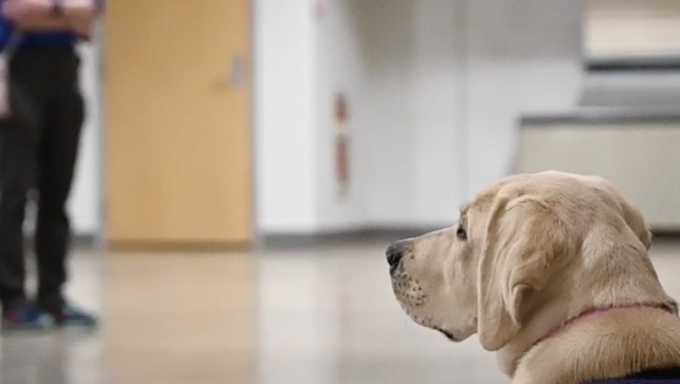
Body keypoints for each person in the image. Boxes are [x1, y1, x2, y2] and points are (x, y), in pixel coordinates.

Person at [0, 0, 103, 330]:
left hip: (64, 72)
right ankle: (12, 298)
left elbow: (91, 15)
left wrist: (46, 11)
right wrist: (65, 12)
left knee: (57, 192)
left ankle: (53, 295)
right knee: (12, 194)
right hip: (17, 68)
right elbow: (16, 11)